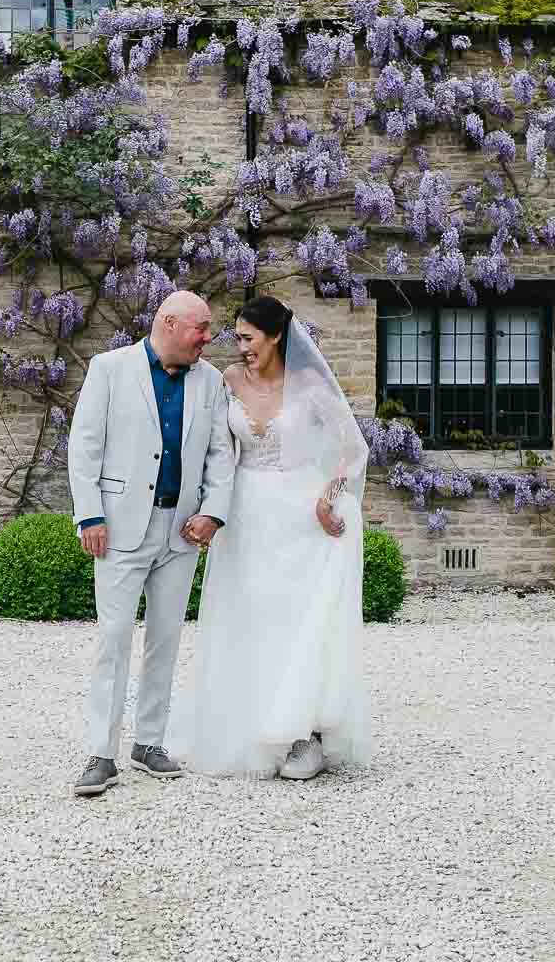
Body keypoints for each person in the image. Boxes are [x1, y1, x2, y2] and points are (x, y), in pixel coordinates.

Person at [173, 294, 372, 780]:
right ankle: (250, 725)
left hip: (301, 516)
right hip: (246, 515)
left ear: (276, 336)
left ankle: (303, 731)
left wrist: (330, 495)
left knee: (297, 619)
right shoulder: (229, 381)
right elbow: (215, 451)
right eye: (236, 338)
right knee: (249, 615)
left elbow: (353, 448)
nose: (240, 347)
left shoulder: (309, 385)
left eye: (248, 338)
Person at [64, 290, 235, 798]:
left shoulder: (211, 381)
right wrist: (89, 514)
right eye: (201, 328)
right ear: (169, 322)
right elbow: (84, 445)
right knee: (113, 640)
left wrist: (212, 512)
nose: (209, 337)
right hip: (119, 529)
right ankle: (100, 752)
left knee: (165, 639)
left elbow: (221, 455)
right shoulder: (109, 368)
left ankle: (149, 742)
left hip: (181, 530)